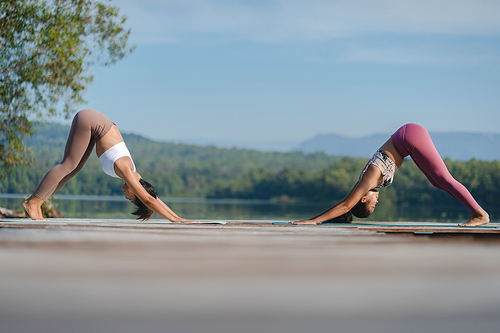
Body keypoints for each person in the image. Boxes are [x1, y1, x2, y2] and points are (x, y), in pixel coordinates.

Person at [294, 123, 489, 227]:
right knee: (437, 182)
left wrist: (312, 222)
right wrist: (315, 219)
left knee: (443, 179)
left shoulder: (368, 180)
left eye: (371, 205)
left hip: (410, 137)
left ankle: (480, 214)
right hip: (408, 140)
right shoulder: (364, 183)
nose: (376, 202)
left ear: (363, 198)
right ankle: (477, 212)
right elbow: (344, 204)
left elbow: (346, 205)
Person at [23, 109, 193, 222]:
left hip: (95, 128)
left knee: (73, 169)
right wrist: (176, 220)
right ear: (137, 192)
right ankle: (33, 202)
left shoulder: (136, 176)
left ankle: (38, 203)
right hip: (91, 121)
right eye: (131, 198)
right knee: (68, 164)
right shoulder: (126, 169)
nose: (125, 195)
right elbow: (148, 199)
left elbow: (153, 198)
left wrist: (178, 217)